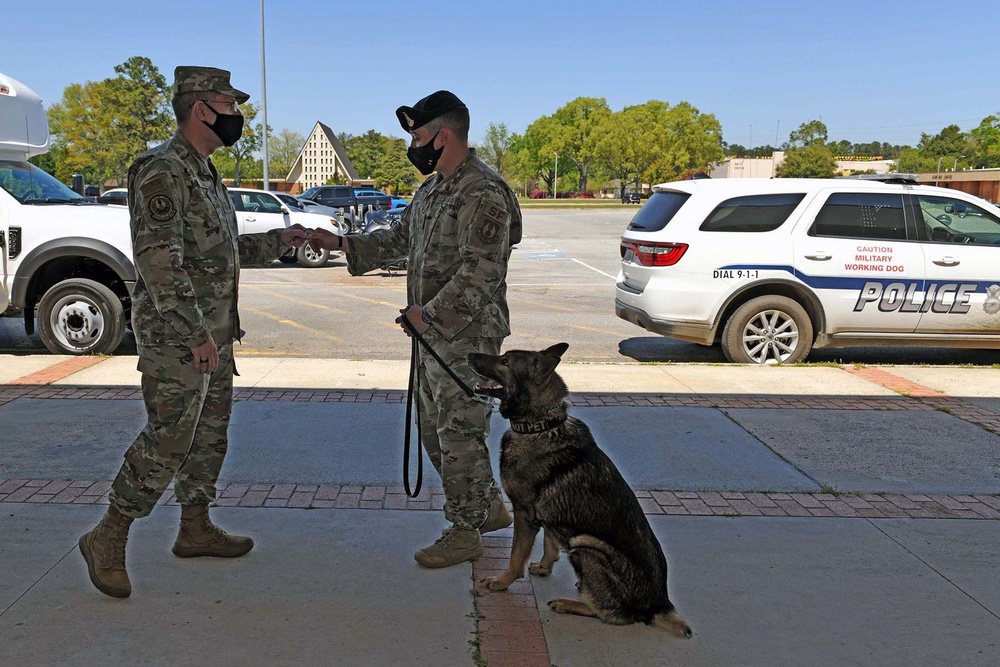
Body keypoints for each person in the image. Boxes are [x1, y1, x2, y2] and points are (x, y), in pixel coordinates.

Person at [78, 66, 311, 598]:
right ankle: (109, 534)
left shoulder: (203, 172)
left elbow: (217, 255)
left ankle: (195, 527)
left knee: (208, 436)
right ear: (202, 108)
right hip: (179, 336)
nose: (238, 116)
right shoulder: (162, 170)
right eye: (231, 105)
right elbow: (160, 262)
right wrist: (193, 333)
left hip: (214, 333)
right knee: (170, 438)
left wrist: (281, 239)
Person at [312, 90, 522, 568]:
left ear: (442, 136)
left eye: (419, 136)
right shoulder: (433, 191)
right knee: (434, 430)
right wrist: (342, 241)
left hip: (468, 337)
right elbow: (398, 239)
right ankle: (486, 507)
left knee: (459, 431)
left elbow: (483, 269)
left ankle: (466, 529)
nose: (414, 146)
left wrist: (430, 315)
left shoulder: (483, 191)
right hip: (432, 333)